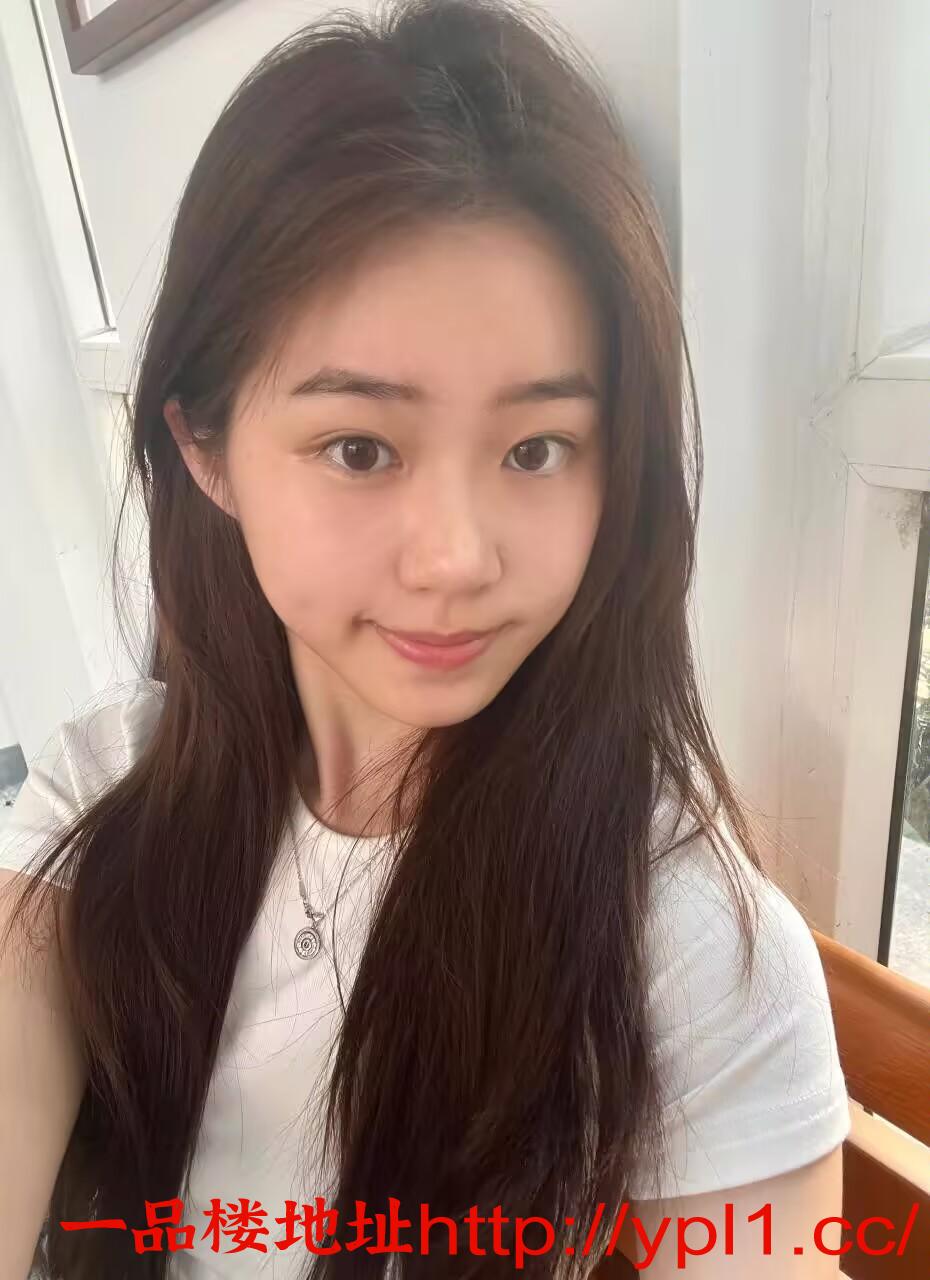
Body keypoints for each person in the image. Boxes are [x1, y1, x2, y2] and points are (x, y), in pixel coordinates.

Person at [0, 0, 851, 1276]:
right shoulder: (108, 789)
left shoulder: (685, 944)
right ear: (206, 447)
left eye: (537, 448)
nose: (457, 556)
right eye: (360, 447)